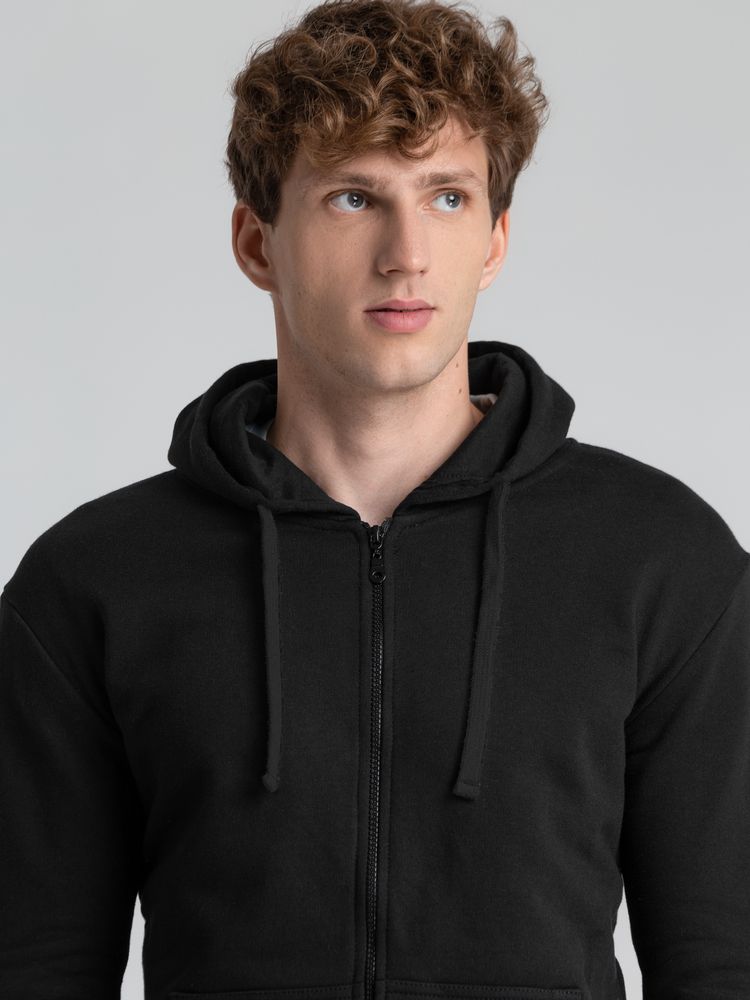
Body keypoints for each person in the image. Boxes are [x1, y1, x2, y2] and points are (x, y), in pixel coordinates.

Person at [1, 0, 748, 998]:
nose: (407, 253)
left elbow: (722, 960)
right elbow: (37, 964)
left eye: (447, 197)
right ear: (256, 242)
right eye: (354, 197)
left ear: (494, 240)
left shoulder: (660, 560)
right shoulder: (96, 579)